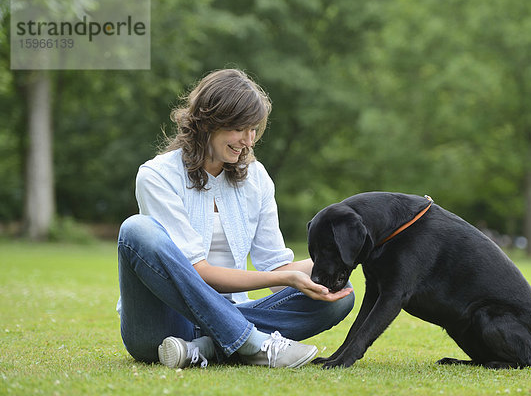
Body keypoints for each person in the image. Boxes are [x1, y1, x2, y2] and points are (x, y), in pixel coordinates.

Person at [117, 68, 354, 369]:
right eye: (240, 129)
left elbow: (276, 266)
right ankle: (252, 343)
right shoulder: (156, 176)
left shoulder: (256, 178)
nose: (249, 140)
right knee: (136, 229)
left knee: (340, 296)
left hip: (228, 316)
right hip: (162, 326)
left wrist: (341, 260)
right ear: (208, 122)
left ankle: (204, 348)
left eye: (254, 129)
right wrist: (282, 276)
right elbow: (198, 272)